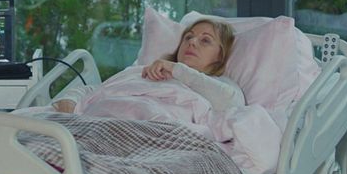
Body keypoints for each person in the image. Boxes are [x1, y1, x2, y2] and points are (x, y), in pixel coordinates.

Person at [52, 19, 244, 115]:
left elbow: (232, 105)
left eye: (205, 40)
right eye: (188, 37)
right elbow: (98, 90)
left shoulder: (219, 86)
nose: (192, 42)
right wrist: (71, 99)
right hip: (99, 122)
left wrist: (177, 69)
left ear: (220, 56)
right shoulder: (142, 71)